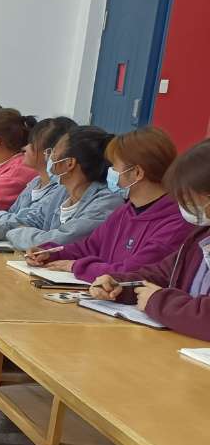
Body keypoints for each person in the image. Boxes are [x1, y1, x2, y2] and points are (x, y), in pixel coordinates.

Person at [27, 126, 192, 282]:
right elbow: (89, 247)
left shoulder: (175, 223)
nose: (110, 172)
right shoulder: (125, 211)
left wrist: (77, 266)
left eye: (114, 166)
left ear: (137, 173)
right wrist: (50, 252)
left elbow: (131, 272)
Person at [89, 139, 210, 339]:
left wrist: (158, 301)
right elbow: (161, 274)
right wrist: (120, 285)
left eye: (189, 198)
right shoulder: (200, 235)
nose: (183, 204)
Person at [0, 125, 122, 250]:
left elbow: (57, 242)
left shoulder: (107, 202)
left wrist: (12, 233)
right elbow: (32, 219)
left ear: (69, 163)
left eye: (54, 152)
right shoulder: (62, 191)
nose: (49, 157)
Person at [0, 117, 75, 225]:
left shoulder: (61, 189)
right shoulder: (35, 182)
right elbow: (14, 213)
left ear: (50, 152)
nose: (25, 148)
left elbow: (30, 221)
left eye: (32, 144)